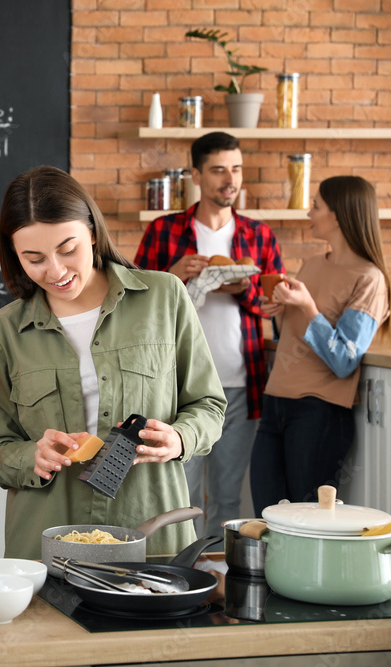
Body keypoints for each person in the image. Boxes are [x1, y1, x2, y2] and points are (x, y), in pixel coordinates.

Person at [0, 166, 226, 559]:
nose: (55, 271)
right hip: (46, 546)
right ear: (14, 255)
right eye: (34, 258)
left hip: (153, 536)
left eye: (67, 248)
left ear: (92, 231)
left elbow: (209, 406)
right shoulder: (3, 331)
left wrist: (181, 438)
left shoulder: (165, 297)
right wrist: (32, 456)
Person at [134, 132, 284, 538]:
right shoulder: (164, 232)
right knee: (180, 496)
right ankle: (182, 580)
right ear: (197, 175)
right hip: (178, 386)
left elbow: (276, 302)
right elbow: (131, 305)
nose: (229, 179)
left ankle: (220, 582)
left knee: (227, 498)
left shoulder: (260, 236)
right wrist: (173, 275)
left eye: (235, 169)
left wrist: (246, 289)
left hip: (240, 383)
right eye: (218, 170)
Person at [251, 176, 390, 514]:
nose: (309, 212)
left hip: (318, 412)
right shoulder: (313, 264)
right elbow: (292, 337)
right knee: (266, 515)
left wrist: (307, 307)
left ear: (339, 215)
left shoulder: (369, 279)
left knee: (307, 518)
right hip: (276, 402)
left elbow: (344, 359)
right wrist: (281, 311)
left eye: (315, 205)